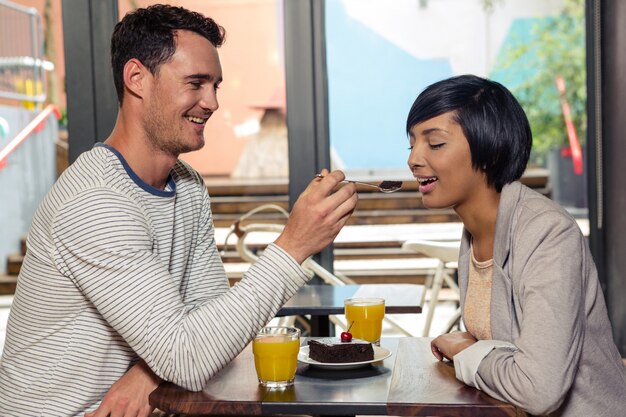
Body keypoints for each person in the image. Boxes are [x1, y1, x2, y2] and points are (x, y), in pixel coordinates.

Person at [0, 5, 357, 417]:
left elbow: (213, 331)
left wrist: (148, 372)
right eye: (196, 83)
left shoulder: (186, 186)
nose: (212, 102)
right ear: (136, 79)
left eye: (216, 85)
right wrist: (293, 245)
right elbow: (190, 355)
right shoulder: (95, 201)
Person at [406, 74, 626, 416]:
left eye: (434, 144)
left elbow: (539, 390)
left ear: (490, 151)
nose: (414, 159)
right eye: (412, 144)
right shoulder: (474, 233)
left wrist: (466, 351)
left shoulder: (547, 233)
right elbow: (503, 348)